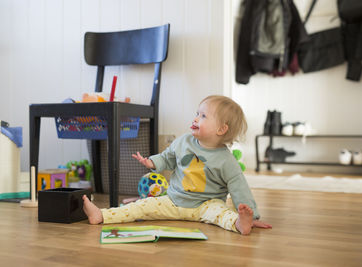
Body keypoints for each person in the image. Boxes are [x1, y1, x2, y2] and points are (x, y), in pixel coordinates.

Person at [82, 95, 272, 235]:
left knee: (222, 214)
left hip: (206, 205)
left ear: (221, 129)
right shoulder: (183, 142)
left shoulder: (226, 160)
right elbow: (168, 157)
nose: (196, 118)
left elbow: (239, 187)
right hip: (173, 201)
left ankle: (240, 224)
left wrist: (252, 215)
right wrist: (151, 161)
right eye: (197, 114)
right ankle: (101, 215)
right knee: (141, 206)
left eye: (203, 116)